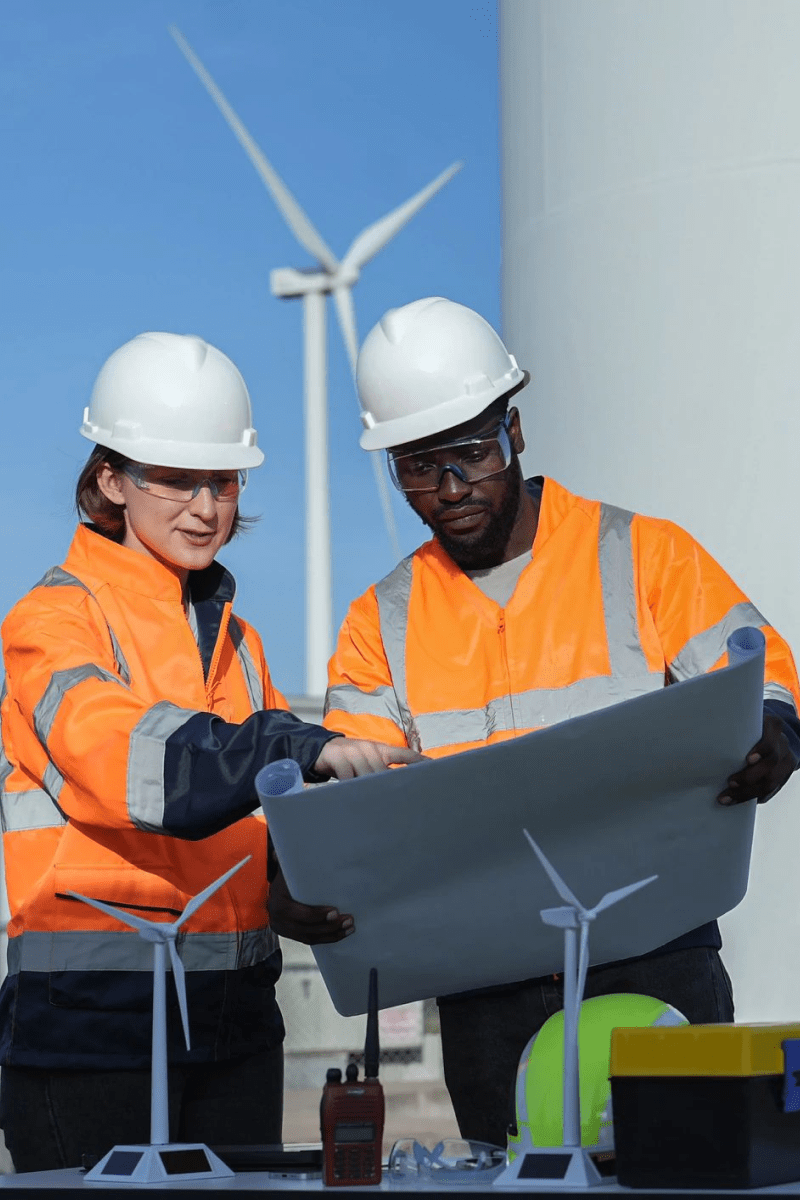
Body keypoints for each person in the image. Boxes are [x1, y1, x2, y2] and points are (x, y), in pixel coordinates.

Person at [315, 296, 800, 1147]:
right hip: (486, 988)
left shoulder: (644, 554)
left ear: (517, 430)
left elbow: (761, 672)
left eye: (470, 454)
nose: (450, 490)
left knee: (686, 1173)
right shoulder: (378, 620)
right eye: (418, 469)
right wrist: (314, 871)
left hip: (657, 951)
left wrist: (775, 726)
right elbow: (350, 794)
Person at [0, 331, 419, 1173]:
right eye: (177, 480)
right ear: (112, 481)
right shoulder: (50, 624)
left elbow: (246, 823)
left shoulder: (241, 641)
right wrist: (290, 739)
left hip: (235, 1029)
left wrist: (286, 890)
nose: (205, 507)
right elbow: (141, 772)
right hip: (92, 1031)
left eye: (222, 481)